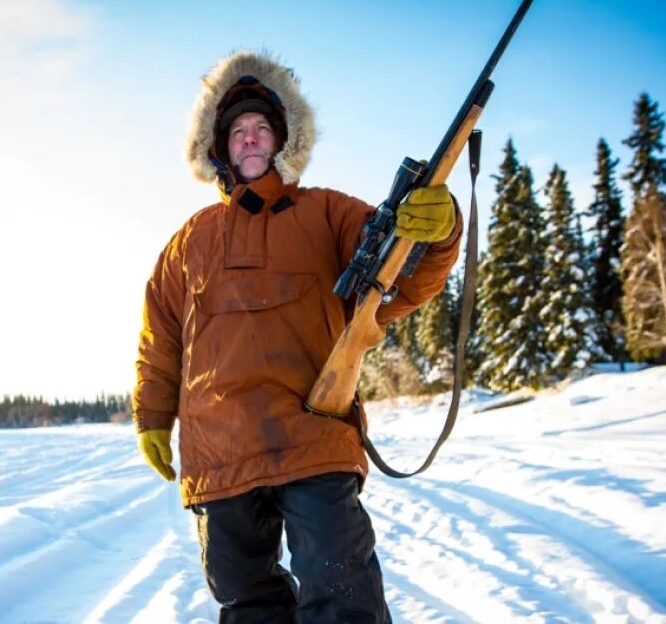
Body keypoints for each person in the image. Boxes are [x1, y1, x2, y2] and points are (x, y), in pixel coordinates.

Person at [133, 50, 462, 623]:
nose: (252, 139)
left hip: (314, 431)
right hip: (220, 449)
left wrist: (439, 229)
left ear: (284, 140)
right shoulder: (188, 242)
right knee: (246, 599)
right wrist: (152, 418)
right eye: (239, 131)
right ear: (219, 146)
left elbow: (401, 276)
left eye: (263, 128)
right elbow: (159, 338)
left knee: (343, 589)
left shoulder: (330, 213)